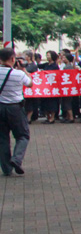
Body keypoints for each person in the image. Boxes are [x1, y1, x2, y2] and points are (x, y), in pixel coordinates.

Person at [0, 48, 33, 176]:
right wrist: (23, 70)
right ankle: (16, 159)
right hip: (15, 108)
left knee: (2, 138)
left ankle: (6, 169)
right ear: (13, 59)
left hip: (0, 107)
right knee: (23, 135)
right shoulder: (18, 74)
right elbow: (30, 84)